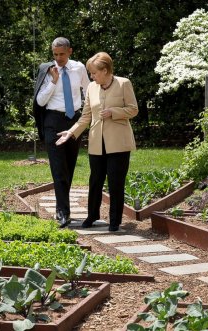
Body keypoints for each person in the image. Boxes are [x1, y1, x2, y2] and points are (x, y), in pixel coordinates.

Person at [56, 52, 138, 232]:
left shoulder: (124, 83)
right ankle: (92, 215)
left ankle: (115, 220)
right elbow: (85, 117)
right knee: (95, 181)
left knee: (116, 182)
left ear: (105, 70)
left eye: (94, 73)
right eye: (90, 73)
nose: (91, 76)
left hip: (118, 143)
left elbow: (133, 110)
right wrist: (70, 132)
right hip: (96, 143)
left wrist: (114, 112)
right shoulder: (91, 88)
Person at [33, 37, 90, 228]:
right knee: (58, 168)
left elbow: (88, 90)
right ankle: (63, 212)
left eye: (62, 54)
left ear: (70, 51)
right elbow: (40, 101)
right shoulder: (47, 71)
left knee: (69, 167)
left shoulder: (79, 68)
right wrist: (53, 81)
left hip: (73, 121)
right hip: (53, 121)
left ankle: (63, 207)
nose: (58, 58)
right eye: (55, 54)